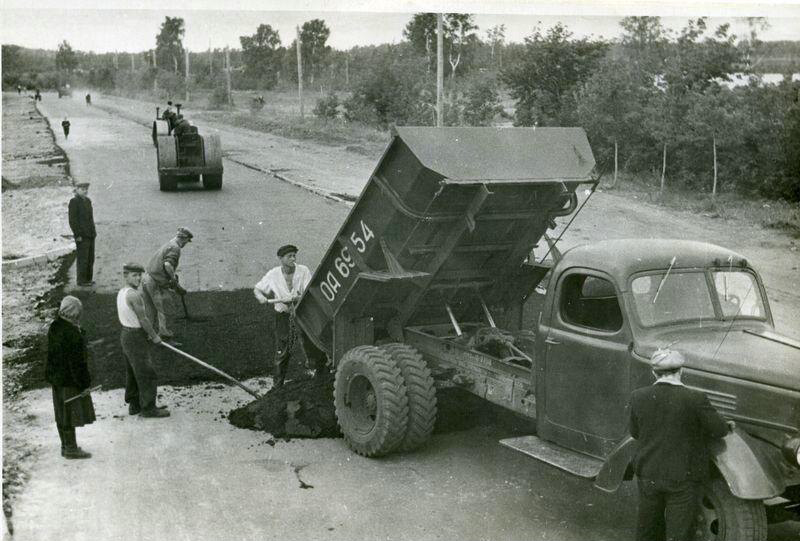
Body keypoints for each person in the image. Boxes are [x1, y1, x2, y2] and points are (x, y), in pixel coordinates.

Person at [629, 349, 732, 541]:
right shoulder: (696, 398)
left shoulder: (638, 396)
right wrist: (727, 425)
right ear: (681, 371)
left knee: (647, 531)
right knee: (679, 533)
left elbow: (635, 433)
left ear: (654, 373)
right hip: (682, 477)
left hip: (649, 473)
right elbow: (719, 430)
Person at [253, 244, 328, 387]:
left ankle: (320, 374)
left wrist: (296, 299)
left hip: (302, 313)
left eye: (294, 255)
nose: (293, 259)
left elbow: (307, 292)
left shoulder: (303, 271)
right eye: (289, 256)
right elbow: (257, 289)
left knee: (311, 342)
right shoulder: (273, 274)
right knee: (283, 348)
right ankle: (277, 385)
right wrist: (261, 297)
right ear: (281, 259)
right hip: (282, 314)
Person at [46, 296, 96, 459]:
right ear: (74, 313)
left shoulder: (55, 326)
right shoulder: (72, 334)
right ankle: (71, 448)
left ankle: (65, 445)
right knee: (69, 413)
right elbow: (77, 363)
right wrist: (84, 384)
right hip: (69, 380)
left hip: (56, 378)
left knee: (61, 411)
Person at [118, 263, 169, 418]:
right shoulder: (134, 295)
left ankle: (134, 405)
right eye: (134, 275)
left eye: (140, 275)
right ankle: (148, 408)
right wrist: (155, 336)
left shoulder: (122, 292)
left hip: (126, 335)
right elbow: (144, 320)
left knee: (133, 371)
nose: (138, 278)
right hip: (135, 337)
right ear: (125, 276)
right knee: (147, 373)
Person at [142, 228, 193, 338]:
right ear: (183, 239)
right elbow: (168, 265)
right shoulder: (175, 248)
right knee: (166, 307)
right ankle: (165, 335)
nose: (185, 244)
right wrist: (174, 280)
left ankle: (149, 336)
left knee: (150, 309)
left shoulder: (169, 243)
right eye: (186, 241)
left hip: (146, 278)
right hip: (154, 281)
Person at [68, 182, 97, 286]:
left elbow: (90, 218)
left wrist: (93, 232)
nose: (85, 191)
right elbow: (72, 221)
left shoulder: (87, 201)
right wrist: (78, 234)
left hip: (90, 234)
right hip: (82, 236)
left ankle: (88, 279)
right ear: (77, 189)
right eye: (83, 189)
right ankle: (81, 280)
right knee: (83, 259)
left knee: (90, 258)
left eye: (86, 189)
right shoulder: (74, 202)